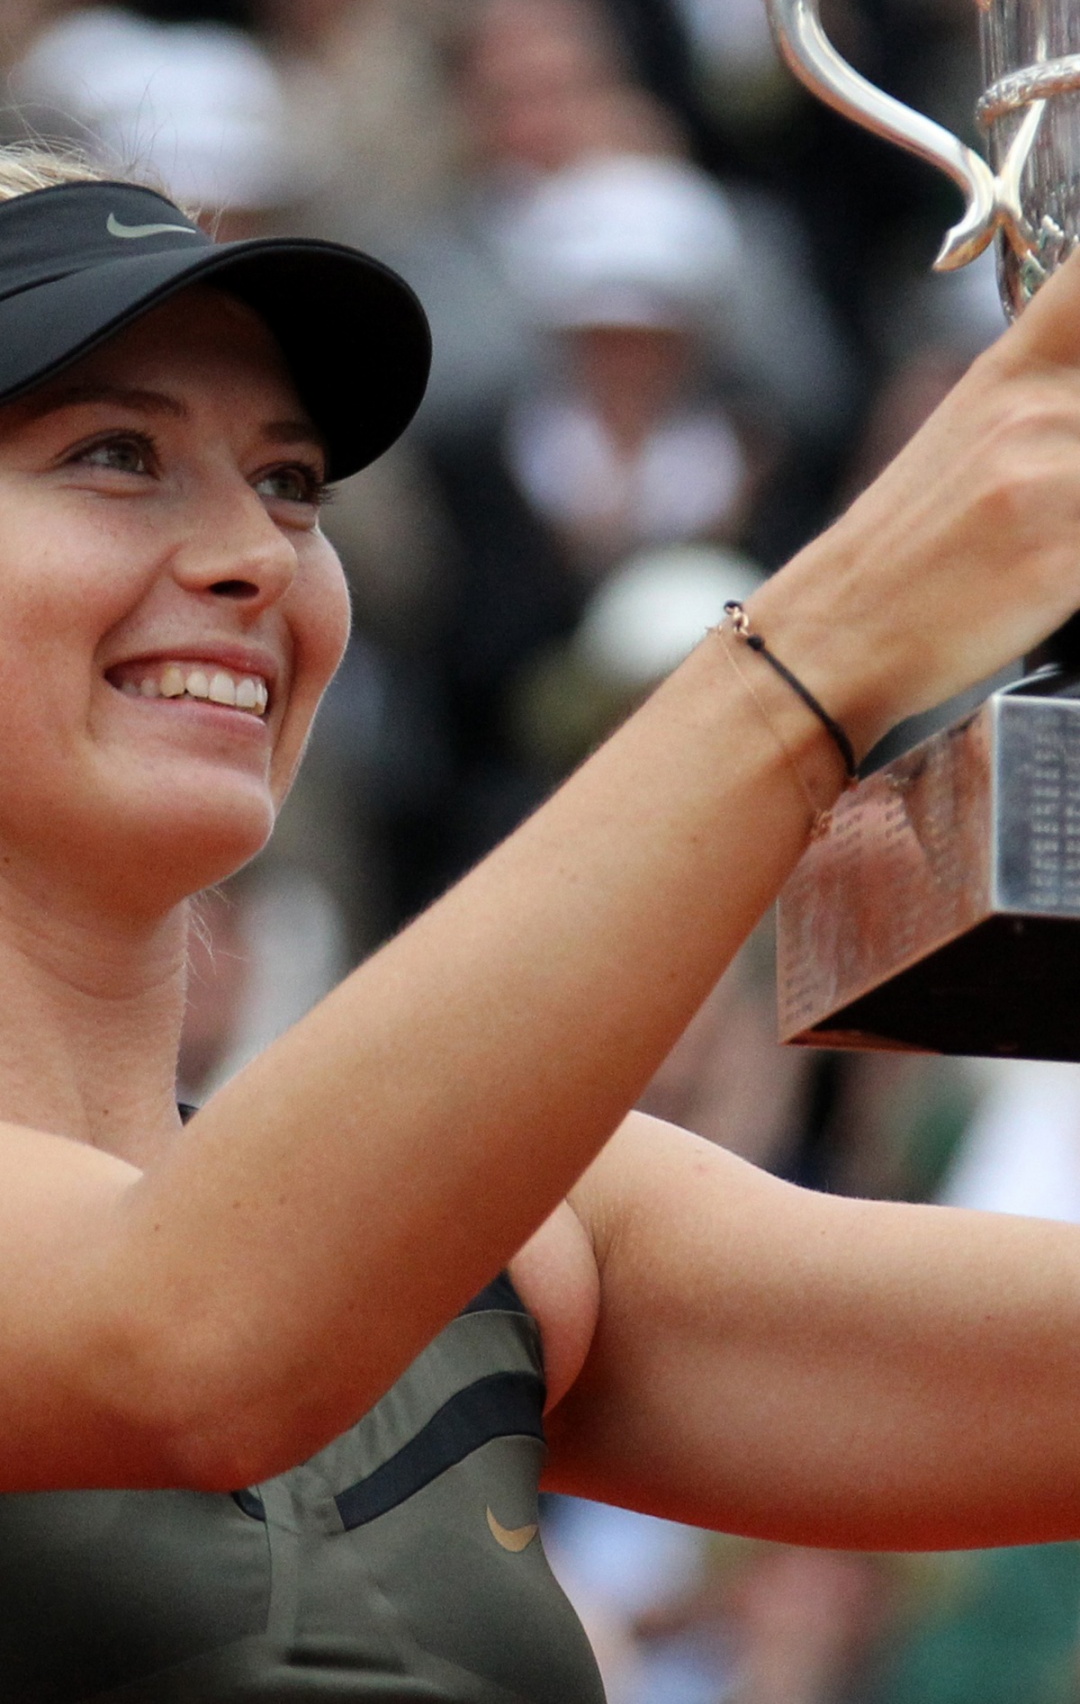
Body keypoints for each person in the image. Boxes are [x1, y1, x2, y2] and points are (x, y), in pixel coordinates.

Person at [3, 142, 1080, 1703]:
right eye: (114, 454)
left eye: (291, 482)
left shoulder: (530, 1235)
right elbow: (191, 1336)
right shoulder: (364, 1254)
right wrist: (826, 643)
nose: (255, 554)